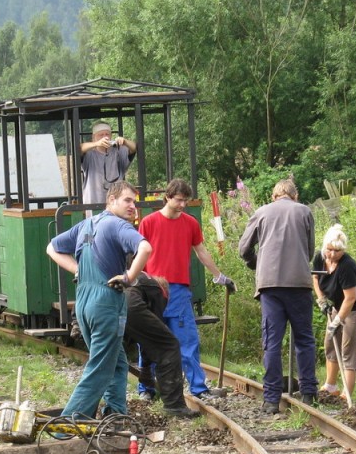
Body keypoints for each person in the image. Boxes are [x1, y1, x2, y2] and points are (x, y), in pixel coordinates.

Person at [47, 180, 150, 419]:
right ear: (111, 201)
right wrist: (129, 276)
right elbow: (145, 248)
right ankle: (70, 422)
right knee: (100, 368)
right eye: (127, 200)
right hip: (105, 301)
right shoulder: (117, 225)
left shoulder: (86, 224)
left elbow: (52, 248)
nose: (132, 206)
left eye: (134, 202)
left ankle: (115, 413)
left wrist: (77, 270)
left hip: (83, 301)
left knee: (117, 362)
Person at [138, 178, 235, 401]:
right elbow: (140, 254)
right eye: (179, 200)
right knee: (149, 340)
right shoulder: (149, 222)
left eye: (186, 201)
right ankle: (146, 389)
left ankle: (198, 388)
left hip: (179, 290)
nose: (183, 205)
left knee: (188, 340)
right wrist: (140, 281)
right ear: (168, 197)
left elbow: (201, 251)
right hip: (153, 289)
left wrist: (219, 276)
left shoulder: (190, 223)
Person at [238, 179, 318, 414]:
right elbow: (310, 249)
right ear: (295, 195)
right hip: (300, 284)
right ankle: (309, 394)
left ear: (274, 196)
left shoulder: (261, 212)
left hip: (270, 286)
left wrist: (256, 262)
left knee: (272, 342)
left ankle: (271, 400)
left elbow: (244, 249)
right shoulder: (305, 211)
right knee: (304, 339)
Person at [122, 273, 199, 419]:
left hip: (110, 307)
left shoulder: (140, 281)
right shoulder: (159, 290)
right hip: (130, 307)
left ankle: (108, 407)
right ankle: (174, 406)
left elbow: (146, 337)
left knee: (114, 357)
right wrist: (145, 369)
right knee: (170, 346)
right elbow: (154, 340)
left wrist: (145, 369)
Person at [312, 224, 356, 405]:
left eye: (337, 251)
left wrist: (337, 320)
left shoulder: (347, 266)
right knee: (330, 342)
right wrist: (321, 300)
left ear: (342, 250)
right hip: (338, 304)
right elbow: (314, 277)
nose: (332, 254)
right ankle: (330, 386)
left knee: (348, 349)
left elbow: (350, 298)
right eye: (329, 250)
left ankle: (347, 394)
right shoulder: (319, 257)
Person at [80, 121, 137, 205]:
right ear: (93, 137)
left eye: (107, 134)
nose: (105, 137)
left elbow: (134, 148)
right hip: (93, 202)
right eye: (101, 135)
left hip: (116, 204)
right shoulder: (89, 154)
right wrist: (97, 144)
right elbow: (79, 148)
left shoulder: (119, 151)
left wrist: (125, 142)